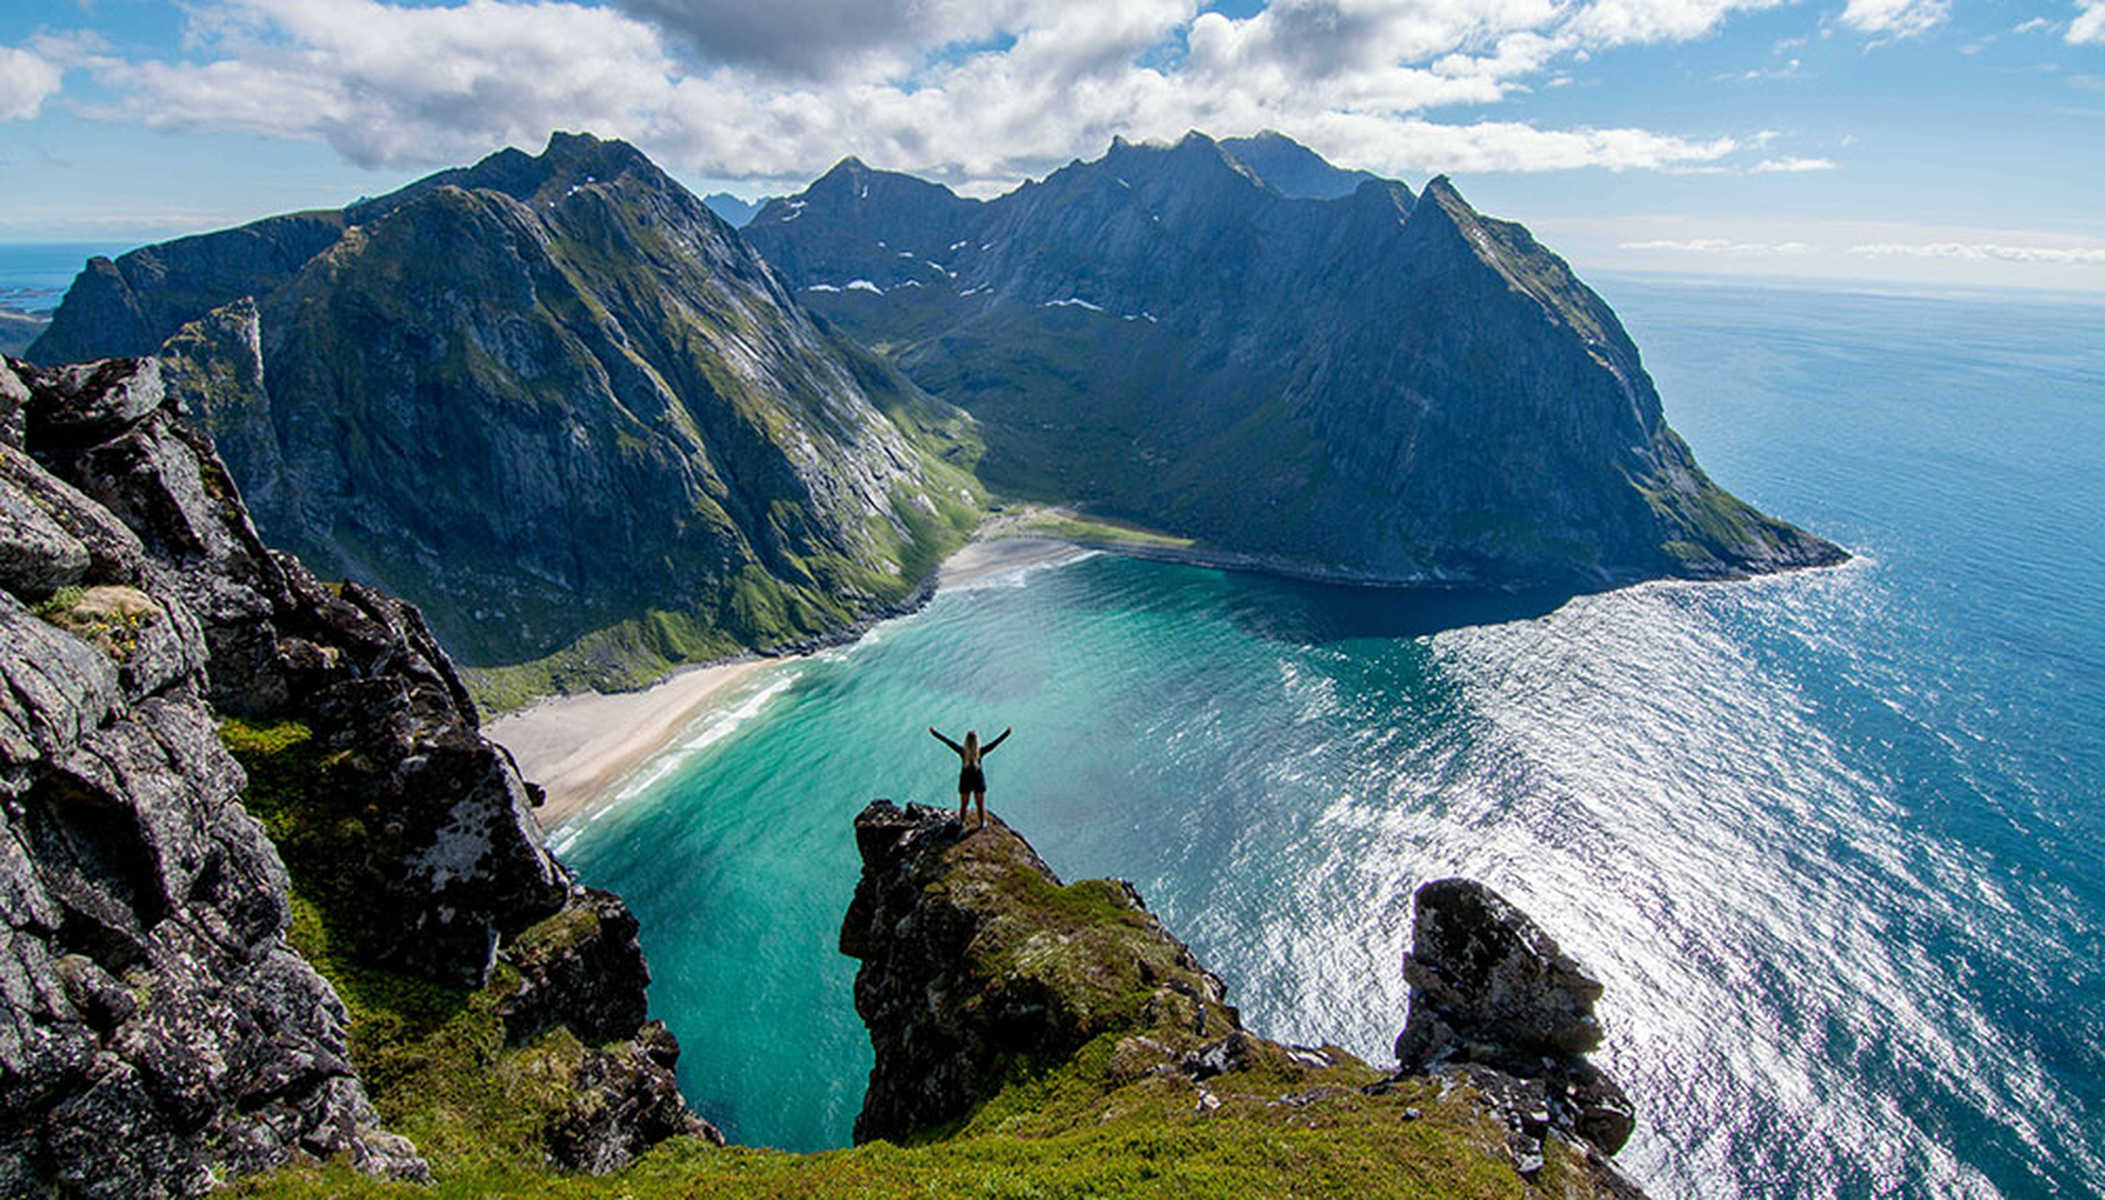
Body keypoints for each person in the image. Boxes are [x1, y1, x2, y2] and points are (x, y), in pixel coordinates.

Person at [928, 724, 1011, 830]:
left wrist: (935, 733)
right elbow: (994, 744)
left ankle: (962, 823)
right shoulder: (980, 752)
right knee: (980, 805)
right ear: (977, 742)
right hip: (978, 780)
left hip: (965, 780)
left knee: (964, 805)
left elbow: (948, 742)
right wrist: (1006, 734)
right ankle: (982, 824)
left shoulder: (962, 752)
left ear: (966, 742)